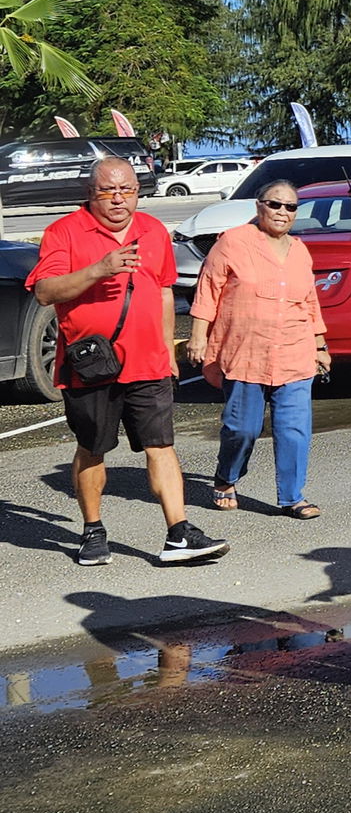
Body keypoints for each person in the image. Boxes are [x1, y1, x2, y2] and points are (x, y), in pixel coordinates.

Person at [27, 158, 229, 567]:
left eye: (128, 190)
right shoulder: (63, 232)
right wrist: (99, 269)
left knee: (162, 446)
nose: (118, 198)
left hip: (148, 363)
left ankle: (178, 533)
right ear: (90, 193)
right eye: (108, 190)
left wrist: (167, 349)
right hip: (91, 365)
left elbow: (163, 293)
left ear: (139, 191)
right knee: (92, 447)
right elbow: (45, 292)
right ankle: (93, 530)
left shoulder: (153, 231)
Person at [188, 180, 331, 518]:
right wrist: (198, 336)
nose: (283, 212)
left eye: (290, 207)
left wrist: (320, 344)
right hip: (246, 352)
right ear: (259, 205)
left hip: (294, 350)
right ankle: (226, 477)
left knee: (295, 429)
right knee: (242, 428)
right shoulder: (233, 242)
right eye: (275, 204)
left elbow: (309, 301)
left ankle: (292, 497)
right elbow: (208, 289)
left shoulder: (299, 251)